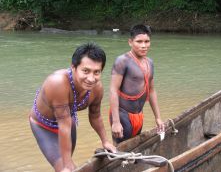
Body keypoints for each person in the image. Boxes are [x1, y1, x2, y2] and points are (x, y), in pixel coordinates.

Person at [29, 43, 116, 172]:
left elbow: (95, 116)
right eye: (85, 71)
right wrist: (67, 165)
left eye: (97, 72)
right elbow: (64, 126)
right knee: (65, 168)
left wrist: (105, 141)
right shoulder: (57, 83)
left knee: (68, 163)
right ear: (73, 67)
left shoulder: (97, 88)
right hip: (43, 126)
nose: (91, 79)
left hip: (68, 122)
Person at [109, 24, 165, 144]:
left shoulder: (150, 62)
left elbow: (152, 91)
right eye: (139, 42)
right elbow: (113, 90)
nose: (144, 45)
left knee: (133, 148)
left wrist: (158, 118)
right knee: (122, 151)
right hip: (123, 114)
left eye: (147, 41)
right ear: (130, 42)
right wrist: (116, 122)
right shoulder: (122, 61)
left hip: (138, 115)